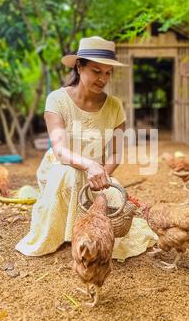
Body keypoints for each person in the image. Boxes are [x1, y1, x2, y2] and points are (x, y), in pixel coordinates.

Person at [15, 36, 157, 260]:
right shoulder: (57, 100)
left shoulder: (114, 106)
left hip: (97, 172)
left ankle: (87, 231)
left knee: (116, 202)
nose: (103, 78)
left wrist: (103, 176)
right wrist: (90, 165)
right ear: (79, 67)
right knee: (69, 175)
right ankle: (64, 233)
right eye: (96, 70)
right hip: (61, 167)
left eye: (108, 72)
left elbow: (116, 154)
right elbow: (60, 150)